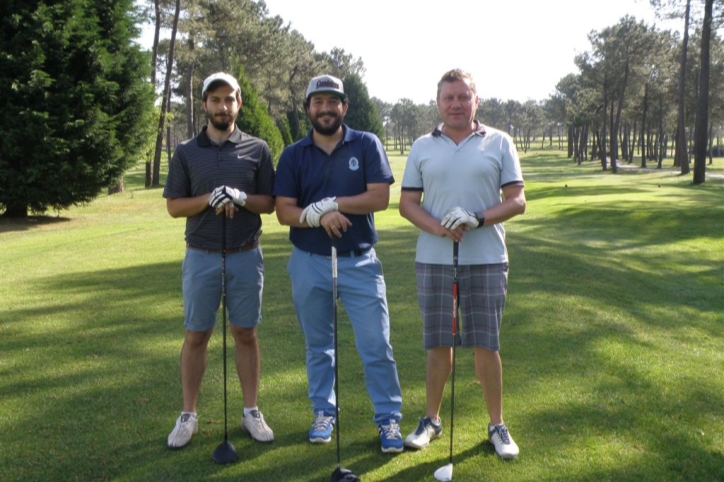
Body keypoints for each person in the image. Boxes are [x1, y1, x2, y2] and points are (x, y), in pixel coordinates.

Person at [273, 74, 404, 453]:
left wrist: (332, 205)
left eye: (333, 101)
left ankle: (388, 419)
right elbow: (284, 211)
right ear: (308, 109)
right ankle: (323, 411)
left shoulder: (365, 144)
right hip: (309, 262)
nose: (326, 108)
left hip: (359, 261)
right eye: (318, 102)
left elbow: (379, 197)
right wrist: (314, 217)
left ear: (344, 107)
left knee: (376, 344)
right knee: (319, 346)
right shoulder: (294, 154)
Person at [399, 69, 526, 459]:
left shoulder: (499, 142)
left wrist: (477, 218)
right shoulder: (422, 146)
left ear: (476, 100)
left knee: (486, 343)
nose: (456, 103)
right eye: (448, 97)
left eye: (463, 96)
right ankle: (431, 420)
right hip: (434, 258)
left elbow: (517, 200)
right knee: (439, 341)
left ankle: (496, 425)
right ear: (437, 102)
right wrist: (438, 228)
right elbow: (407, 204)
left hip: (486, 258)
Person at [163, 72, 276, 449]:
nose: (222, 106)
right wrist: (209, 198)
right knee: (197, 335)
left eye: (229, 99)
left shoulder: (257, 148)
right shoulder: (185, 151)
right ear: (205, 105)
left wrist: (240, 197)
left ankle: (250, 411)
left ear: (238, 103)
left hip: (245, 254)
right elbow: (174, 206)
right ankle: (188, 415)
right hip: (202, 256)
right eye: (215, 100)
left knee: (245, 333)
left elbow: (270, 204)